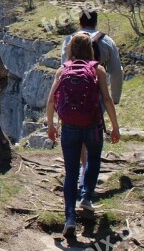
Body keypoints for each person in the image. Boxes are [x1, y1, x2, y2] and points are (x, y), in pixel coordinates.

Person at [47, 33, 120, 239]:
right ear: (90, 49)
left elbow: (51, 100)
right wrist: (115, 126)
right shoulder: (98, 70)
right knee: (94, 159)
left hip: (69, 127)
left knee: (70, 172)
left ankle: (69, 218)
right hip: (93, 126)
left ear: (70, 49)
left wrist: (51, 125)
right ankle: (86, 196)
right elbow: (106, 99)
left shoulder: (62, 70)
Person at [61, 11, 123, 187]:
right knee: (91, 128)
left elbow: (63, 68)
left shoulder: (69, 40)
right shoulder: (107, 41)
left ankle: (82, 169)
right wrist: (115, 97)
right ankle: (88, 175)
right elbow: (117, 71)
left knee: (77, 126)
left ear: (79, 22)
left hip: (72, 95)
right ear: (96, 23)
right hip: (98, 95)